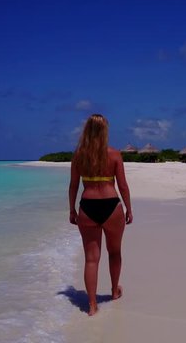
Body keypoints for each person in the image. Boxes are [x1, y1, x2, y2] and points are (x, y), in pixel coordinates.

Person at [68, 114, 133, 316]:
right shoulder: (114, 154)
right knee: (114, 252)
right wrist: (129, 208)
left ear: (87, 130)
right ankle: (114, 291)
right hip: (111, 206)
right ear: (105, 131)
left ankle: (92, 305)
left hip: (87, 206)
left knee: (91, 259)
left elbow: (73, 186)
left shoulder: (79, 155)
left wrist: (71, 209)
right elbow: (122, 185)